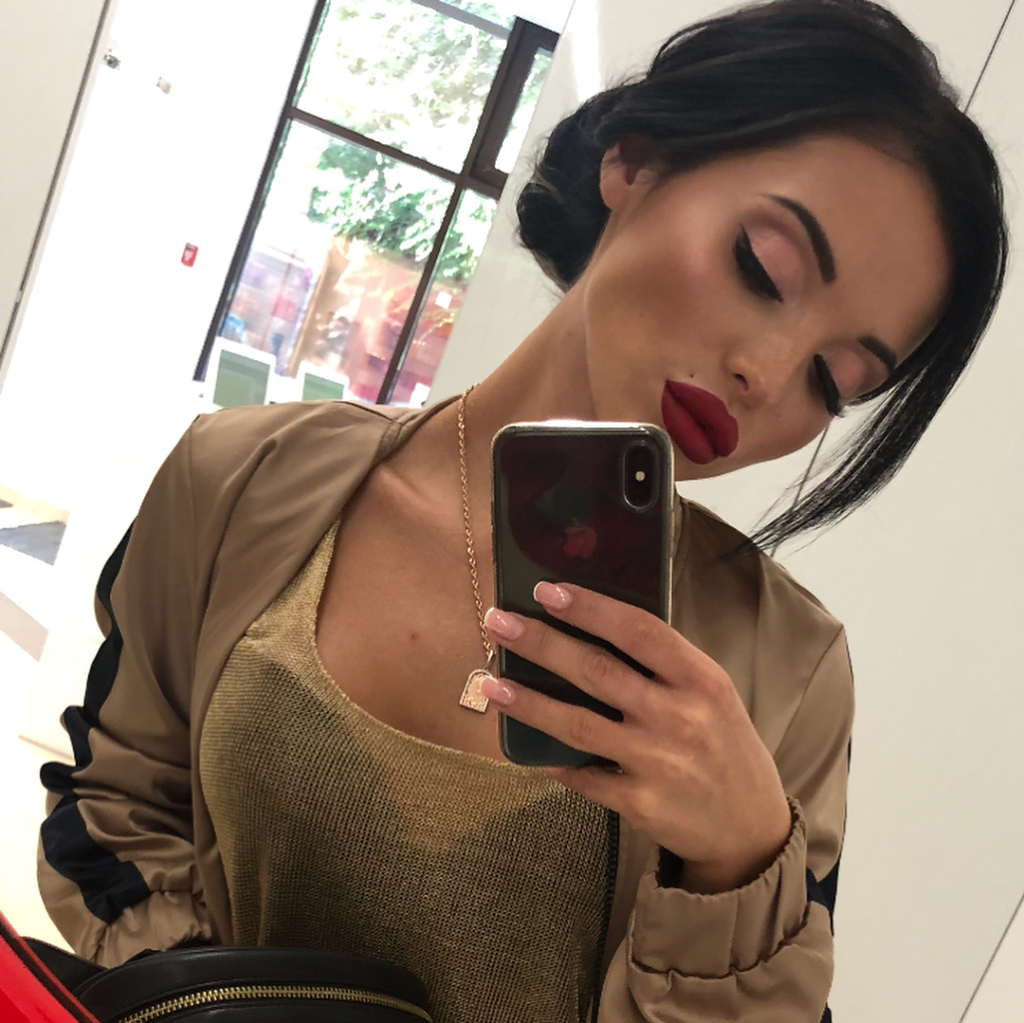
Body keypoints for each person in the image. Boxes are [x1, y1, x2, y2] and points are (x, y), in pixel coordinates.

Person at [36, 1, 1006, 1020]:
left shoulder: (789, 673)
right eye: (762, 268)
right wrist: (223, 1004)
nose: (764, 373)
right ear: (634, 163)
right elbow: (110, 807)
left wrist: (738, 863)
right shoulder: (239, 480)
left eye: (834, 380)